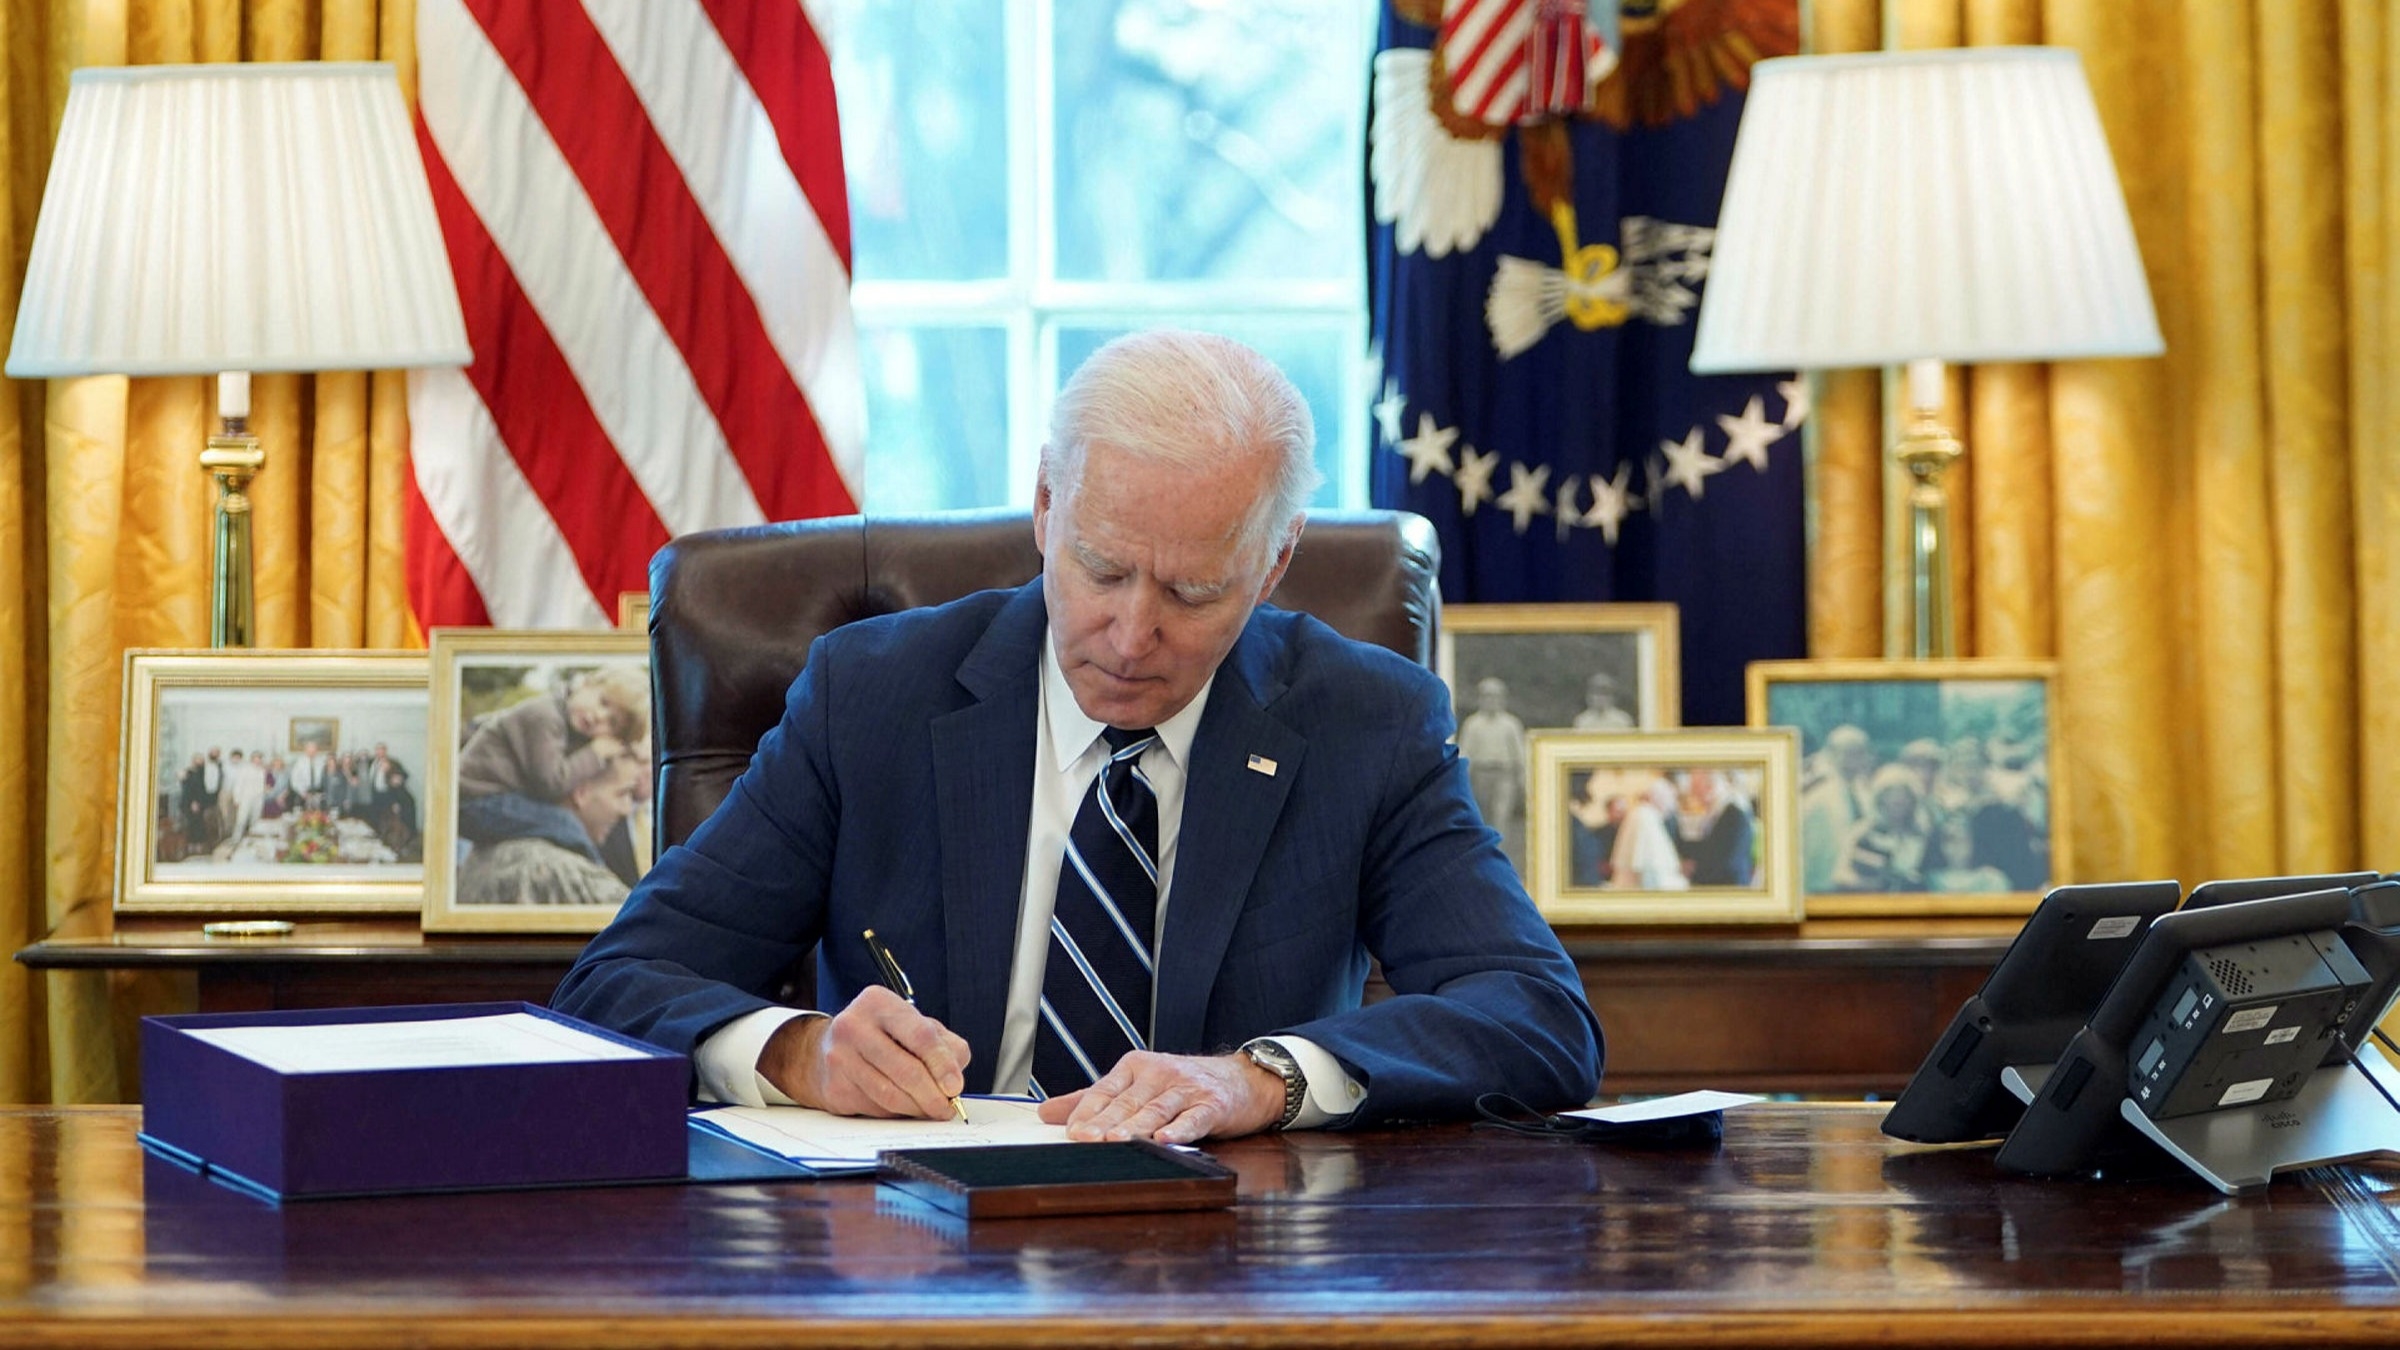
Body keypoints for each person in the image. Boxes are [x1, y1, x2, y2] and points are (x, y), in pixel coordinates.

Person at [554, 330, 1602, 1145]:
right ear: (1050, 507)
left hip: (1231, 1266)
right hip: (913, 1261)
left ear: (1275, 562)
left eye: (1193, 591)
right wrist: (799, 1052)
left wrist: (1261, 1079)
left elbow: (1536, 1015)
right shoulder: (871, 695)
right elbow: (617, 983)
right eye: (1102, 568)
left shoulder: (1365, 723)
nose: (1132, 633)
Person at [453, 666, 649, 866]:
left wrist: (629, 750)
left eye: (612, 722)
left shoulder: (567, 723)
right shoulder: (544, 716)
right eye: (603, 702)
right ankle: (594, 879)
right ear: (585, 684)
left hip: (494, 798)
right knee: (565, 824)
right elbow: (550, 784)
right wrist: (595, 753)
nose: (599, 716)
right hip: (473, 800)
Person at [1455, 675, 1530, 870]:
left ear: (1503, 699)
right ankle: (1482, 862)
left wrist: (1524, 780)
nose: (1491, 701)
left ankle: (1501, 863)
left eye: (1496, 697)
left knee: (1501, 817)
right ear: (1480, 699)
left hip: (1504, 776)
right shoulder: (1473, 724)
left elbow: (1519, 754)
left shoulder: (1510, 724)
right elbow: (1465, 752)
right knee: (1482, 818)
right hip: (1480, 775)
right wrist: (1461, 780)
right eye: (1487, 697)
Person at [1798, 725, 1872, 892]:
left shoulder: (1863, 792)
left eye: (1860, 753)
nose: (1856, 759)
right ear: (1831, 754)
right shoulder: (1816, 793)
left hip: (1855, 884)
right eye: (1849, 752)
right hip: (1820, 885)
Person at [1831, 764, 1928, 892]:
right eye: (1891, 794)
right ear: (1880, 798)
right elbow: (1840, 876)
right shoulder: (1863, 832)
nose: (1898, 800)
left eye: (1904, 795)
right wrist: (1873, 884)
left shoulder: (1922, 835)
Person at [1674, 768, 1755, 887]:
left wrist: (1693, 871)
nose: (1693, 795)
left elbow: (1727, 862)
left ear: (1710, 787)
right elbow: (1707, 847)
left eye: (1696, 789)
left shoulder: (1734, 813)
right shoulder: (1717, 812)